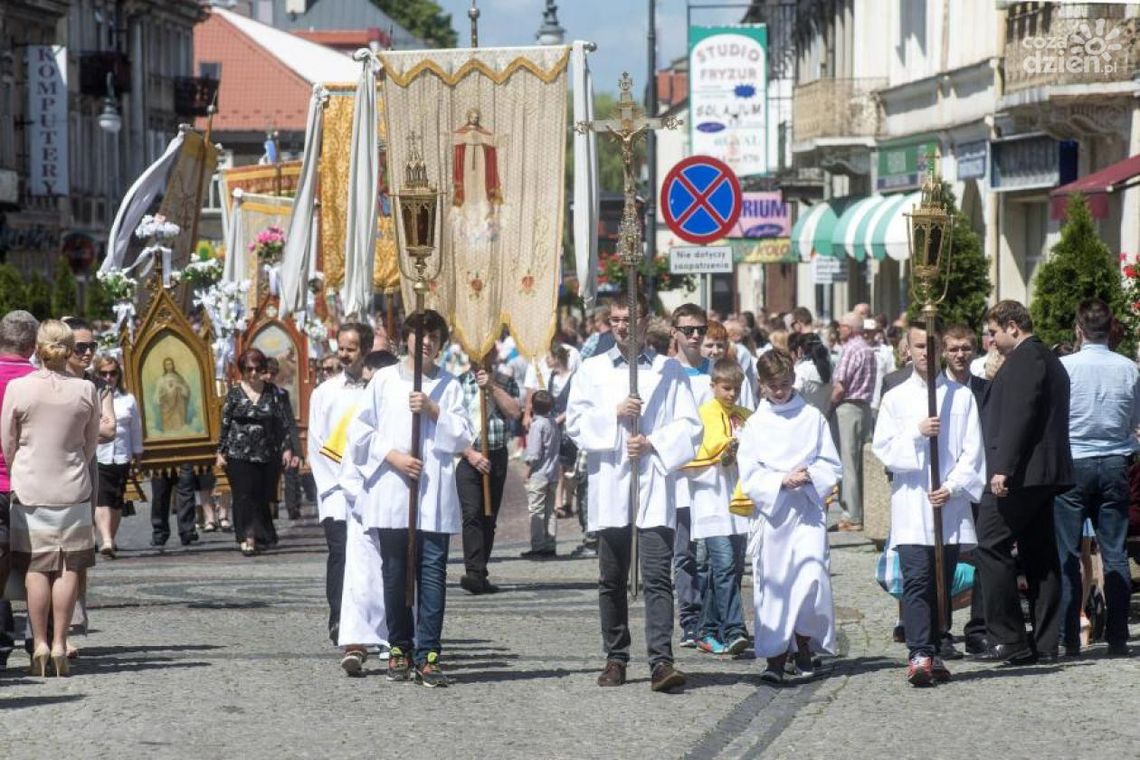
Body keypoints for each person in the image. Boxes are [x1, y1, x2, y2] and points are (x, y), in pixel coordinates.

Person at [566, 291, 702, 692]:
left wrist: (653, 443)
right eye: (617, 320)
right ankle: (616, 655)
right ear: (610, 323)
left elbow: (689, 426)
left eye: (631, 319)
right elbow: (575, 423)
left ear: (646, 323)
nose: (624, 327)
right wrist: (614, 418)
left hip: (653, 482)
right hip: (611, 481)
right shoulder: (591, 369)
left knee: (658, 575)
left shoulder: (668, 371)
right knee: (612, 576)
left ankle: (661, 659)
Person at [344, 310, 473, 687]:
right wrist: (394, 456)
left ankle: (429, 652)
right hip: (393, 490)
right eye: (420, 335)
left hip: (432, 495)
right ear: (407, 340)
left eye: (435, 336)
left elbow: (463, 436)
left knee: (433, 573)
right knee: (395, 571)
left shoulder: (448, 385)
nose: (427, 343)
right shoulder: (383, 380)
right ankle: (399, 645)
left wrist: (434, 411)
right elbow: (360, 432)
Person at [872, 323, 985, 686]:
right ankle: (919, 651)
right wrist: (917, 434)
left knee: (942, 581)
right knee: (917, 579)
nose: (925, 353)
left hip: (947, 506)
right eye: (918, 346)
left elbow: (973, 450)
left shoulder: (961, 397)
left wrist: (952, 487)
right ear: (907, 349)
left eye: (930, 346)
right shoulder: (896, 398)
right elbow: (885, 450)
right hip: (912, 503)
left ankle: (934, 647)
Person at [975, 300, 1072, 664]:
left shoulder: (1028, 359)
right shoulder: (1045, 358)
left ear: (1013, 326)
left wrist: (1003, 468)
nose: (991, 341)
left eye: (994, 332)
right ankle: (1045, 643)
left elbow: (1021, 415)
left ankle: (1009, 637)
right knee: (1039, 554)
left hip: (1022, 474)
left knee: (990, 543)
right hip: (1039, 475)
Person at [1, 320, 100, 676]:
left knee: (35, 568)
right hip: (72, 487)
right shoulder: (85, 390)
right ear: (69, 348)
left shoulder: (18, 388)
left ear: (37, 348)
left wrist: (21, 467)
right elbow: (90, 445)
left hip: (31, 488)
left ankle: (39, 643)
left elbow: (8, 442)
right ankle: (60, 642)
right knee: (68, 567)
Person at [738, 349, 842, 684]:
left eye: (784, 384)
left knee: (811, 578)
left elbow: (831, 464)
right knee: (777, 585)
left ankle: (804, 646)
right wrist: (780, 481)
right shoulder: (756, 424)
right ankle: (776, 655)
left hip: (807, 511)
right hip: (774, 516)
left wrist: (811, 474)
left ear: (793, 380)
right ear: (761, 385)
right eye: (773, 386)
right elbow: (749, 473)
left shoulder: (812, 417)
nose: (780, 392)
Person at [1054, 299, 1137, 657]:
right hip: (1115, 461)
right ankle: (1118, 636)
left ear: (1079, 329)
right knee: (1115, 552)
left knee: (1068, 553)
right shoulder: (1129, 368)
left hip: (1074, 461)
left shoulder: (1065, 367)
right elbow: (1135, 418)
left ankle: (1069, 635)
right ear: (1109, 329)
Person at [307, 322, 373, 649]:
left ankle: (370, 624)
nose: (345, 355)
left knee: (370, 558)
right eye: (342, 348)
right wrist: (336, 485)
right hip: (335, 492)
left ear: (366, 350)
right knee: (341, 553)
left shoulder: (378, 389)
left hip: (372, 490)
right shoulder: (324, 393)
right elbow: (317, 445)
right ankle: (338, 617)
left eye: (352, 349)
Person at [684, 358, 751, 656]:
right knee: (722, 565)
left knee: (732, 570)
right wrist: (723, 453)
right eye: (726, 388)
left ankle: (707, 630)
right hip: (711, 500)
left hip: (737, 502)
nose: (731, 395)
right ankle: (736, 630)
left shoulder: (744, 416)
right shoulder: (703, 416)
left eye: (736, 389)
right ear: (713, 386)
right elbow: (693, 457)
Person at [216, 348, 297, 557]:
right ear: (242, 370)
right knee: (244, 496)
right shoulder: (234, 393)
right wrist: (221, 451)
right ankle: (247, 537)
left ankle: (260, 534)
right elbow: (225, 424)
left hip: (266, 453)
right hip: (238, 453)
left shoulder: (272, 393)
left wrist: (287, 448)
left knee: (262, 496)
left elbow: (282, 423)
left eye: (257, 369)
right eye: (248, 369)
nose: (253, 373)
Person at [941, 324, 989, 654]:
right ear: (944, 351)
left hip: (979, 483)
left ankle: (979, 628)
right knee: (942, 558)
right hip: (943, 487)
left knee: (984, 555)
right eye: (954, 348)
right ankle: (940, 630)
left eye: (966, 348)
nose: (960, 354)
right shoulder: (934, 391)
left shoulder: (987, 389)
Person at [456, 351, 521, 593]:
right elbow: (451, 425)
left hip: (496, 455)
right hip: (468, 455)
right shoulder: (459, 384)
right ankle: (473, 572)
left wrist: (491, 386)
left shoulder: (505, 381)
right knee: (471, 513)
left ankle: (481, 572)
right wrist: (469, 454)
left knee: (488, 517)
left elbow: (514, 412)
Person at [669, 303, 711, 648]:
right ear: (675, 333)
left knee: (712, 554)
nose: (695, 335)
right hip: (681, 476)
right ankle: (690, 619)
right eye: (688, 330)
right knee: (683, 553)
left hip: (714, 477)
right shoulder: (666, 374)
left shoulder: (719, 374)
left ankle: (714, 619)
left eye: (700, 329)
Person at [0, 310, 38, 668]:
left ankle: (0, 641)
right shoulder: (40, 381)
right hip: (30, 485)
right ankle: (36, 639)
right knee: (34, 564)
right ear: (32, 345)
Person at [830, 312, 877, 532]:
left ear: (849, 328)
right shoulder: (868, 349)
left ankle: (851, 515)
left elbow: (840, 385)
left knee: (848, 463)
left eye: (841, 326)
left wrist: (829, 406)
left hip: (848, 407)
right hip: (865, 408)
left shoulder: (850, 349)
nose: (839, 329)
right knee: (861, 462)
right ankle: (864, 511)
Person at [93, 356, 142, 558]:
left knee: (116, 499)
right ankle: (105, 538)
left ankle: (110, 538)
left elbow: (135, 428)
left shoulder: (128, 399)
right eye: (104, 373)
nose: (108, 377)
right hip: (99, 454)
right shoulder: (93, 396)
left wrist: (138, 454)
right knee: (101, 497)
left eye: (112, 373)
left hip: (122, 455)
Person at [523, 390, 559, 558]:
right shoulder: (552, 422)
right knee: (550, 510)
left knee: (536, 510)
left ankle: (537, 546)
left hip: (540, 474)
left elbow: (534, 454)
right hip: (553, 472)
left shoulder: (537, 425)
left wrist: (528, 470)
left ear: (533, 406)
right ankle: (550, 544)